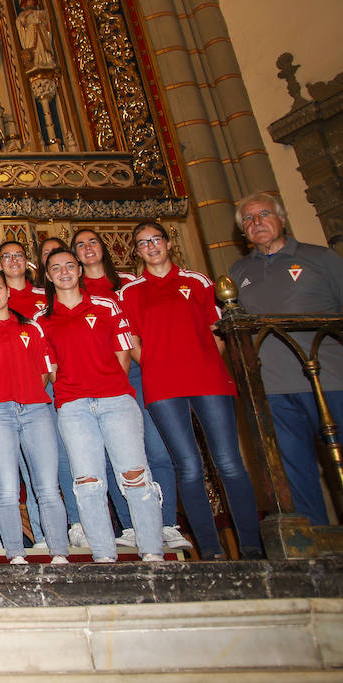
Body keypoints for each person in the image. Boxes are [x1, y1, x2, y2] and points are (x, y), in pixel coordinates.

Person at [120, 221, 263, 558]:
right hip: (163, 385)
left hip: (208, 380)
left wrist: (202, 360)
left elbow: (218, 330)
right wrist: (155, 363)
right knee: (188, 466)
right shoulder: (131, 292)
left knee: (228, 463)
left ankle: (252, 547)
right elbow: (133, 341)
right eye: (143, 243)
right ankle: (211, 550)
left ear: (169, 244)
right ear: (136, 252)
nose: (151, 246)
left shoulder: (197, 281)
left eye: (156, 239)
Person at [41, 248, 164, 563]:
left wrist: (109, 387)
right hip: (73, 406)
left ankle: (152, 551)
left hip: (115, 400)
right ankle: (104, 555)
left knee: (135, 476)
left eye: (70, 265)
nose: (64, 271)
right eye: (56, 267)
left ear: (80, 270)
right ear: (48, 275)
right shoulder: (44, 319)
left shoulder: (106, 305)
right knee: (87, 481)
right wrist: (73, 388)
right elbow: (49, 367)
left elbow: (123, 352)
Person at [229, 192, 343, 527]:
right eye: (248, 220)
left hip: (331, 379)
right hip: (274, 388)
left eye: (264, 214)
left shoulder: (320, 258)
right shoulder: (238, 270)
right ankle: (318, 547)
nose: (257, 223)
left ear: (282, 219)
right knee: (295, 472)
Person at [71, 228, 187, 551]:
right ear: (75, 259)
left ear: (104, 247)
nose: (87, 248)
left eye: (92, 241)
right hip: (101, 375)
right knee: (111, 454)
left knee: (155, 448)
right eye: (79, 245)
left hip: (138, 370)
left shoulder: (128, 283)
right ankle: (131, 525)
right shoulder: (75, 290)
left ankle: (167, 522)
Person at [0, 270, 69, 565]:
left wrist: (28, 392)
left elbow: (46, 370)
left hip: (36, 410)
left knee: (47, 486)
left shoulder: (31, 328)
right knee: (6, 488)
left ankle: (59, 552)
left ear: (9, 292)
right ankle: (15, 554)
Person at [0, 241, 46, 318]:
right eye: (7, 256)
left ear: (26, 263)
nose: (14, 260)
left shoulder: (46, 295)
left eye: (19, 255)